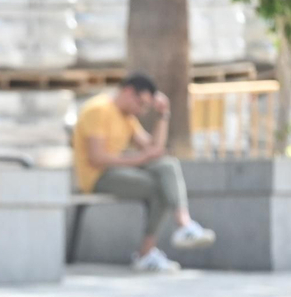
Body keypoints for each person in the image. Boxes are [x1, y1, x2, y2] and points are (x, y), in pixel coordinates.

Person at [71, 73, 217, 272]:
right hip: (97, 176)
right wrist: (139, 159)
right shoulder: (99, 109)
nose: (142, 110)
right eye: (141, 104)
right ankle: (146, 253)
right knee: (159, 188)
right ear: (129, 91)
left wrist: (163, 114)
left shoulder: (127, 118)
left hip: (119, 172)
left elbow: (155, 148)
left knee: (167, 165)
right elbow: (97, 158)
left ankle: (185, 224)